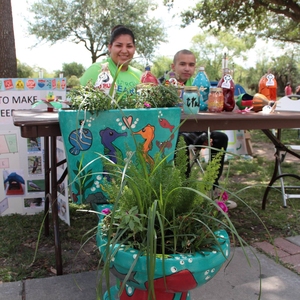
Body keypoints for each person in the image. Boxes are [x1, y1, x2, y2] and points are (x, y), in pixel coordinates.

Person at [166, 50, 232, 202]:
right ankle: (184, 190)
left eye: (191, 64)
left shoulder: (201, 85)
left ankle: (212, 188)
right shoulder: (167, 85)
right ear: (173, 66)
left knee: (221, 137)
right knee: (179, 140)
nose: (187, 68)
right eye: (182, 64)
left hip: (198, 131)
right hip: (176, 133)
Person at [80, 25, 142, 94]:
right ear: (110, 47)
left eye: (129, 46)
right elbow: (78, 101)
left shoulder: (139, 75)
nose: (124, 51)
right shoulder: (96, 70)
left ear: (134, 49)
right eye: (119, 45)